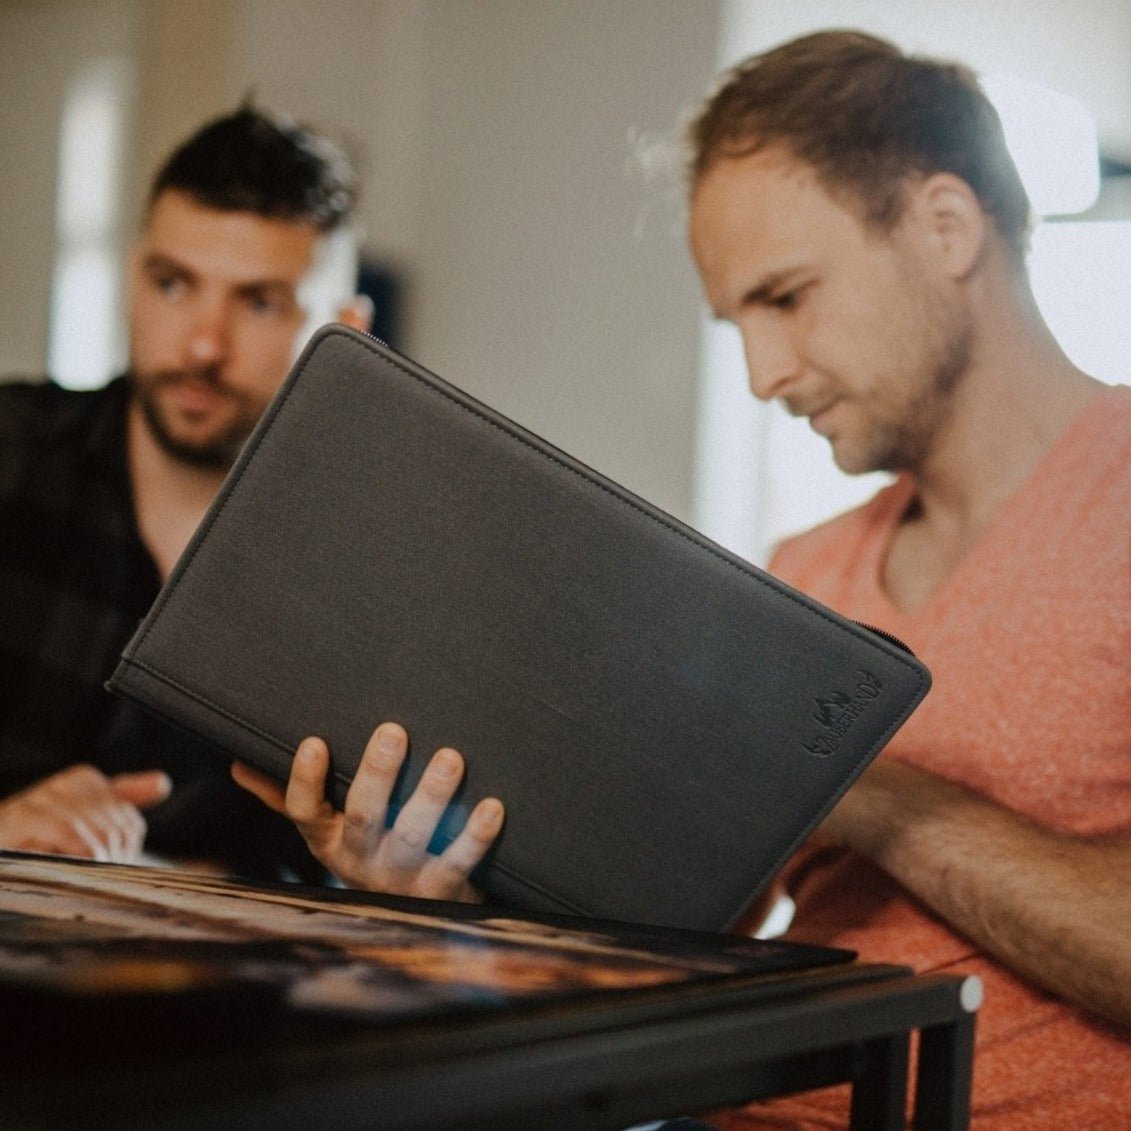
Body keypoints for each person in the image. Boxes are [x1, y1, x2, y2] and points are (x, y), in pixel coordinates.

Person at [240, 29, 1130, 1127]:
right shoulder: (803, 580)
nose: (762, 376)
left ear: (945, 227)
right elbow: (658, 942)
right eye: (738, 324)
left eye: (788, 298)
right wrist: (445, 894)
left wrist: (879, 801)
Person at [0, 104, 373, 878]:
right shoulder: (10, 449)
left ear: (346, 332)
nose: (203, 345)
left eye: (260, 301)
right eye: (174, 284)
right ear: (133, 280)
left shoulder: (372, 579)